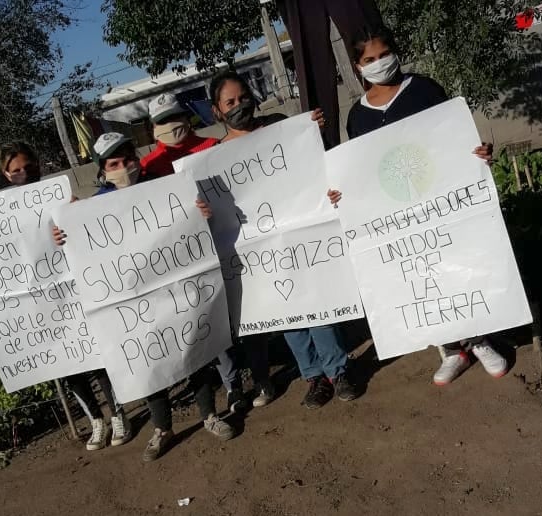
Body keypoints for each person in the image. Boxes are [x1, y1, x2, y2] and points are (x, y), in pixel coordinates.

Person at [327, 25, 508, 386]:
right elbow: (362, 170)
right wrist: (342, 193)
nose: (379, 63)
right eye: (369, 59)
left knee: (456, 265)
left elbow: (453, 137)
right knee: (420, 277)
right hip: (397, 216)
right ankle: (451, 348)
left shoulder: (424, 89)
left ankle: (479, 339)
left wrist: (476, 155)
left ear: (396, 52)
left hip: (441, 201)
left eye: (383, 54)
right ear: (357, 66)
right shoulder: (357, 117)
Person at [0, 141, 132, 451]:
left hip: (73, 291)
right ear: (4, 173)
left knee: (97, 357)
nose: (24, 173)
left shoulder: (57, 197)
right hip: (34, 305)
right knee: (69, 369)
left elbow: (84, 230)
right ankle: (96, 419)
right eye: (16, 170)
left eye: (29, 166)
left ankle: (118, 414)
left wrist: (74, 217)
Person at [54, 132, 236, 462]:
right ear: (102, 170)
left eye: (127, 160)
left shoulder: (167, 189)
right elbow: (78, 250)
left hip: (176, 291)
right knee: (147, 361)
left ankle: (209, 414)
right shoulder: (93, 208)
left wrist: (199, 214)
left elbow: (191, 225)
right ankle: (162, 428)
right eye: (114, 163)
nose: (123, 167)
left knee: (195, 350)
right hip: (132, 303)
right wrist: (64, 234)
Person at [208, 70, 358, 410]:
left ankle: (339, 371)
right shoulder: (213, 159)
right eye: (230, 102)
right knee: (288, 313)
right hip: (258, 251)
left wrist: (312, 132)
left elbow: (317, 164)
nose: (239, 105)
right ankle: (314, 377)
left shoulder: (280, 127)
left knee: (317, 303)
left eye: (244, 96)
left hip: (300, 234)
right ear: (217, 111)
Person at [140, 93, 220, 178]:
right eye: (162, 121)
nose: (170, 124)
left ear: (185, 118)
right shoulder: (148, 164)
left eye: (174, 117)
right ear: (153, 127)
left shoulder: (213, 145)